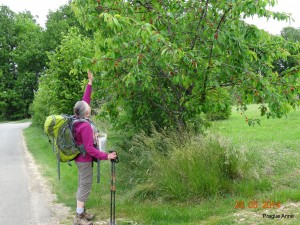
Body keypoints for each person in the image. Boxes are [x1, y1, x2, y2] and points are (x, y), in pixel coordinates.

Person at [73, 70, 117, 225]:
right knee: (84, 185)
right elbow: (90, 149)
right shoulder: (84, 126)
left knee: (82, 183)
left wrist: (90, 82)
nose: (88, 106)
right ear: (86, 111)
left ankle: (82, 213)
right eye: (87, 107)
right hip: (84, 160)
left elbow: (85, 100)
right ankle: (78, 218)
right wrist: (107, 156)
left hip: (81, 159)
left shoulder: (78, 118)